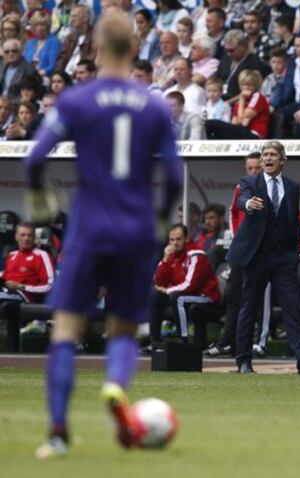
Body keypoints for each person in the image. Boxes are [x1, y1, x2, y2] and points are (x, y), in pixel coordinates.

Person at [24, 11, 182, 458]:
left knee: (66, 330)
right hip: (134, 229)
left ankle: (57, 433)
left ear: (94, 47)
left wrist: (39, 199)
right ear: (134, 50)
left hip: (88, 228)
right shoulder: (153, 105)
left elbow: (35, 159)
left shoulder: (75, 101)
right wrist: (160, 217)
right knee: (124, 330)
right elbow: (172, 174)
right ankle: (115, 384)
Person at [227, 140, 300, 374]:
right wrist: (249, 204)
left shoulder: (293, 187)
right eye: (264, 155)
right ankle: (244, 361)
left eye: (272, 155)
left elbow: (293, 224)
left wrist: (296, 254)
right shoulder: (249, 182)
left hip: (284, 258)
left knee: (291, 308)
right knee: (249, 308)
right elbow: (242, 201)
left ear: (283, 160)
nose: (267, 158)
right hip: (256, 256)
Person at [204, 152, 262, 357]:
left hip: (263, 254)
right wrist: (241, 240)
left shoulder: (272, 188)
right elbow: (233, 214)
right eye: (250, 168)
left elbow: (295, 218)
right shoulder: (240, 188)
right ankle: (227, 342)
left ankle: (259, 343)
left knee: (259, 299)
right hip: (242, 251)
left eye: (257, 168)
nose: (254, 171)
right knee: (233, 297)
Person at [149, 223, 221, 345]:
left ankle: (183, 340)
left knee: (177, 298)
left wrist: (167, 290)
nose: (175, 243)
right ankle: (155, 341)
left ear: (186, 239)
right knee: (154, 294)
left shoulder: (196, 254)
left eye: (178, 239)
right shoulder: (171, 255)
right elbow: (160, 282)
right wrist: (165, 260)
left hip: (206, 296)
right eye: (172, 240)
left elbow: (190, 285)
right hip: (186, 295)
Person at [206, 69, 270, 140]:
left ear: (255, 86)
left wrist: (242, 98)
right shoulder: (239, 102)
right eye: (243, 84)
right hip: (242, 131)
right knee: (213, 137)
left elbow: (243, 121)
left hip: (255, 136)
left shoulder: (258, 97)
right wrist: (242, 119)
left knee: (210, 124)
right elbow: (235, 122)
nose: (246, 87)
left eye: (249, 85)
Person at [0, 222, 54, 304]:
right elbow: (4, 278)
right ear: (16, 237)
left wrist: (21, 287)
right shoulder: (11, 255)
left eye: (30, 235)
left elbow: (50, 286)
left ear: (34, 237)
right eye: (23, 235)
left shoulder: (41, 255)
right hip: (6, 293)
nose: (26, 238)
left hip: (25, 298)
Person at [217, 29, 269, 102]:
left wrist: (227, 103)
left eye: (232, 50)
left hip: (238, 102)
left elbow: (250, 92)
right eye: (227, 50)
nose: (228, 54)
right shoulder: (226, 58)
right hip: (219, 98)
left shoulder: (255, 63)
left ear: (243, 46)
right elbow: (217, 78)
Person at [55, 5, 96, 77]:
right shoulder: (70, 36)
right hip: (66, 76)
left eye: (75, 16)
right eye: (71, 16)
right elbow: (62, 57)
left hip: (82, 75)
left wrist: (77, 73)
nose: (72, 19)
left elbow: (90, 61)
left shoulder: (95, 36)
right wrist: (59, 73)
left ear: (85, 18)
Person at [0, 38, 42, 104]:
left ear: (21, 52)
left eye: (14, 51)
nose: (10, 54)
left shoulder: (29, 69)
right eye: (7, 52)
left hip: (17, 106)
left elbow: (36, 92)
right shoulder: (1, 66)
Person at [23, 11, 62, 78]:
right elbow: (24, 63)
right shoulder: (30, 43)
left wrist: (39, 74)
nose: (39, 28)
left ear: (48, 26)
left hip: (46, 78)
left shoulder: (54, 42)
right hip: (28, 78)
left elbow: (53, 66)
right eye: (36, 25)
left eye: (42, 25)